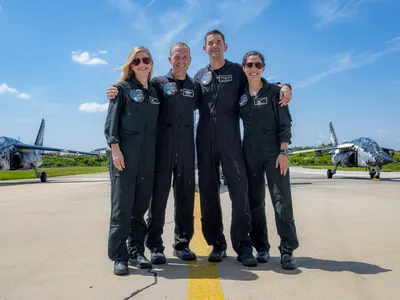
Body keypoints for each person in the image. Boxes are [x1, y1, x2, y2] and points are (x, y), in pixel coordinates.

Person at [194, 29, 292, 267]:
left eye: (219, 42)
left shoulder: (237, 71)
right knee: (208, 195)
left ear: (225, 47)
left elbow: (258, 83)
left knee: (241, 195)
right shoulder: (198, 76)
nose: (215, 46)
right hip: (205, 140)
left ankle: (244, 246)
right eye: (210, 43)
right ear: (204, 48)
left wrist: (284, 86)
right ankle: (217, 245)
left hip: (231, 141)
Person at [107, 42, 200, 264]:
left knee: (183, 199)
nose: (180, 60)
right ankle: (153, 246)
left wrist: (284, 87)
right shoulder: (157, 84)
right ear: (169, 60)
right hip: (158, 150)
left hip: (183, 149)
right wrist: (115, 92)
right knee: (155, 200)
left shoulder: (195, 87)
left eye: (184, 56)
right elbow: (124, 105)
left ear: (190, 59)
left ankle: (181, 243)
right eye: (176, 57)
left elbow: (218, 100)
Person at [239, 51, 299, 269]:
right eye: (249, 65)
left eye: (257, 64)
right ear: (243, 67)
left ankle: (287, 251)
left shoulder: (275, 92)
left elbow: (285, 124)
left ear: (263, 67)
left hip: (274, 154)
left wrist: (284, 152)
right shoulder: (241, 93)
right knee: (255, 203)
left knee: (281, 202)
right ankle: (261, 247)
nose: (253, 68)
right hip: (250, 153)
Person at [104, 46, 159, 275]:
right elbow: (111, 122)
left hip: (148, 158)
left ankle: (136, 251)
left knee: (139, 208)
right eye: (136, 61)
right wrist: (115, 148)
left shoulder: (156, 92)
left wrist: (280, 86)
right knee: (122, 208)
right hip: (124, 157)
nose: (142, 64)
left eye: (145, 60)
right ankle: (119, 256)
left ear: (151, 62)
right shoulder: (122, 89)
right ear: (131, 65)